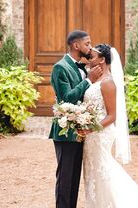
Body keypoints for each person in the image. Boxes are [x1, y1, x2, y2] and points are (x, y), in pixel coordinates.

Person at [81, 44, 138, 208]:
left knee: (104, 172)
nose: (90, 59)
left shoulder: (108, 83)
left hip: (100, 134)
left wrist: (91, 128)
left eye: (93, 56)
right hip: (92, 134)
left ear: (103, 60)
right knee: (94, 172)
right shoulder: (95, 80)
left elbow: (112, 116)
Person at [48, 30, 103, 208]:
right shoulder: (60, 67)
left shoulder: (82, 68)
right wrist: (88, 80)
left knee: (74, 180)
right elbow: (66, 99)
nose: (90, 47)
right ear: (76, 45)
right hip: (65, 132)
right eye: (87, 43)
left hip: (81, 131)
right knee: (65, 180)